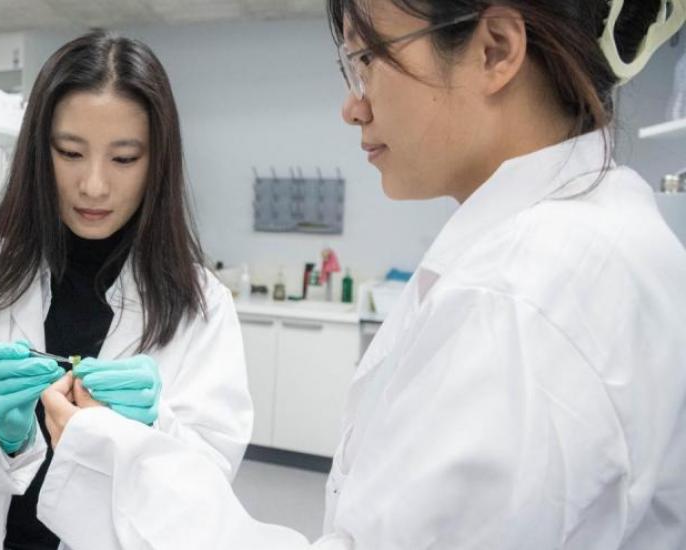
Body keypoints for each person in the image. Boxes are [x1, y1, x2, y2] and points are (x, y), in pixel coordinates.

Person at [37, 1, 686, 548]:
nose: (352, 105)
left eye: (366, 59)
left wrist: (112, 464)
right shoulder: (590, 239)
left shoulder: (524, 294)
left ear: (493, 50)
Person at [0, 31, 253, 550]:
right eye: (71, 152)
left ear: (158, 162)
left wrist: (155, 426)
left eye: (124, 158)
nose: (95, 186)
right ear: (41, 151)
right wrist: (1, 436)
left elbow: (209, 479)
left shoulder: (201, 302)